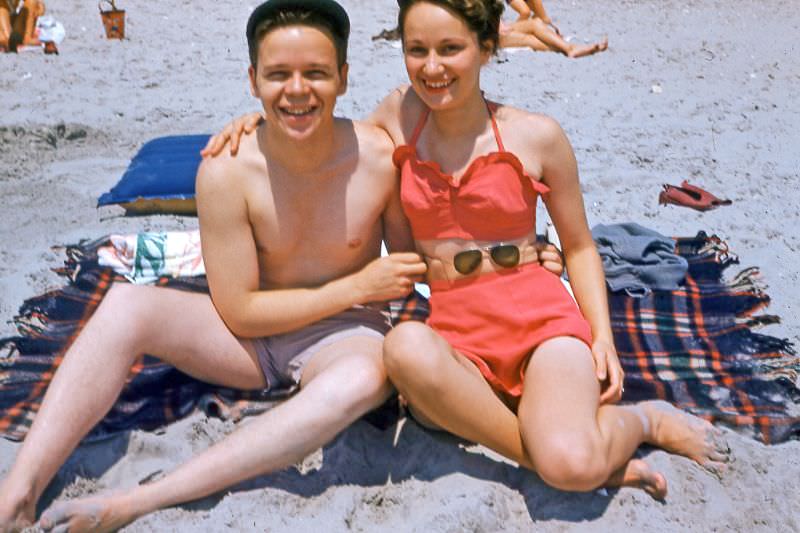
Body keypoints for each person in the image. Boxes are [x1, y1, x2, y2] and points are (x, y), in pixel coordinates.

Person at [204, 0, 729, 504]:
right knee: (404, 347)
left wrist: (602, 337)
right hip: (456, 332)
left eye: (450, 48)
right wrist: (252, 125)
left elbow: (579, 246)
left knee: (570, 466)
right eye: (417, 50)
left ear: (486, 46)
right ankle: (544, 453)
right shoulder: (399, 117)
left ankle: (644, 421)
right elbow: (318, 135)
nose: (432, 68)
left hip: (538, 320)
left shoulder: (537, 136)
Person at [0, 1, 429, 531]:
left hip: (344, 338)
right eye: (278, 75)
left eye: (316, 73)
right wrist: (358, 284)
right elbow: (242, 312)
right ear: (253, 80)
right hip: (248, 342)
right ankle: (17, 492)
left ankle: (138, 501)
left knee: (367, 377)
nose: (297, 90)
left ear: (343, 76)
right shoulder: (226, 170)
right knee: (127, 303)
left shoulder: (379, 158)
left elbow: (417, 252)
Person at [500, 0, 607, 58]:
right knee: (528, 39)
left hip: (495, 27)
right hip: (487, 35)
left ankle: (570, 48)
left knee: (535, 24)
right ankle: (566, 49)